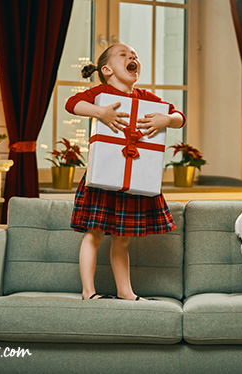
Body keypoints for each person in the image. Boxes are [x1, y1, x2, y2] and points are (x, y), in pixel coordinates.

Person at [65, 43, 186, 301]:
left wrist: (167, 120)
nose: (133, 57)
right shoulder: (101, 93)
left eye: (135, 56)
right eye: (124, 54)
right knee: (94, 233)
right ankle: (88, 292)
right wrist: (101, 112)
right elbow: (72, 103)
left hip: (135, 179)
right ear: (106, 69)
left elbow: (178, 115)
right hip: (102, 176)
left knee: (122, 239)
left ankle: (125, 292)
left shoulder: (147, 98)